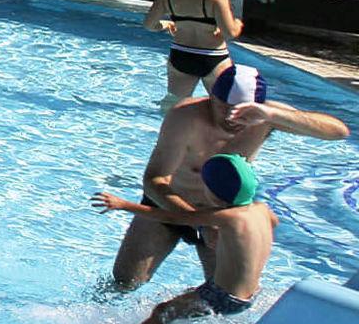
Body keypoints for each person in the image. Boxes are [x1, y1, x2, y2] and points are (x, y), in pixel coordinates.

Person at [108, 62, 350, 291]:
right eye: (224, 108)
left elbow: (339, 132)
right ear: (211, 96)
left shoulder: (265, 117)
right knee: (122, 285)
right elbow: (154, 180)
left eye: (242, 111)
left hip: (223, 217)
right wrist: (199, 220)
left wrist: (272, 115)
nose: (232, 118)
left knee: (225, 297)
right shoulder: (186, 116)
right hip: (170, 205)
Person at [90, 155, 276, 324]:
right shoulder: (262, 210)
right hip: (251, 294)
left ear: (215, 194)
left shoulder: (228, 218)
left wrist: (123, 205)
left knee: (164, 311)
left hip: (221, 297)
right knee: (186, 300)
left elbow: (174, 217)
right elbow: (273, 223)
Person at [144, 0, 243, 104]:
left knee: (174, 107)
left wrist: (165, 24)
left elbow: (149, 25)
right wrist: (238, 23)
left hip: (181, 55)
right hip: (213, 57)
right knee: (224, 108)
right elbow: (230, 33)